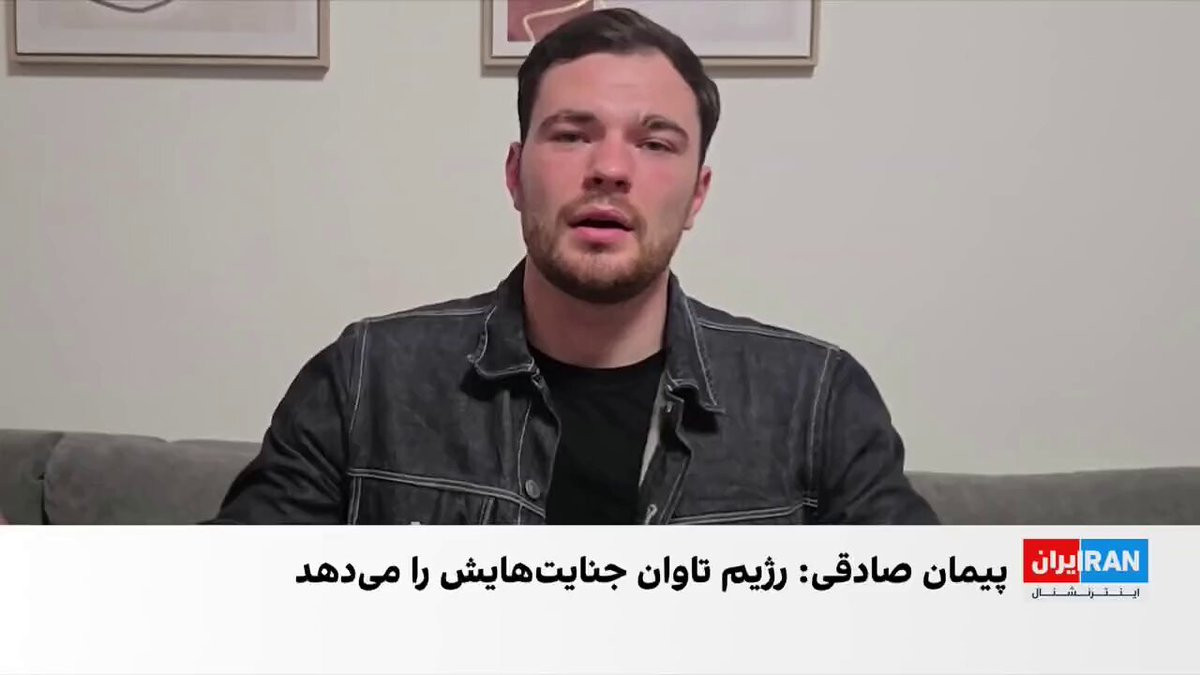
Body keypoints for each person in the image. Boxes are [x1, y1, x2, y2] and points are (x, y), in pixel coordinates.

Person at [212, 8, 937, 526]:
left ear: (697, 195)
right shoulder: (365, 379)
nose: (610, 169)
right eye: (571, 135)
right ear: (515, 175)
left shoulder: (817, 400)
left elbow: (935, 626)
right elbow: (217, 610)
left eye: (655, 144)